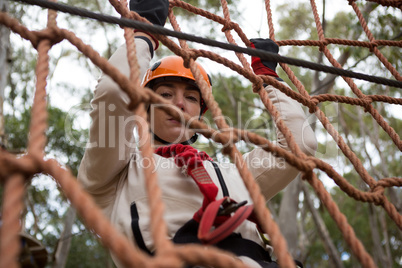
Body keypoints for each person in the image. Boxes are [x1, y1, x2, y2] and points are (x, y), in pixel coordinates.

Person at [77, 0, 317, 267]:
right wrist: (143, 33)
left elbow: (301, 145)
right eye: (166, 94)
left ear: (201, 113)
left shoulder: (234, 173)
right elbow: (113, 93)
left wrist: (268, 78)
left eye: (191, 97)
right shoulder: (115, 172)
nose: (179, 104)